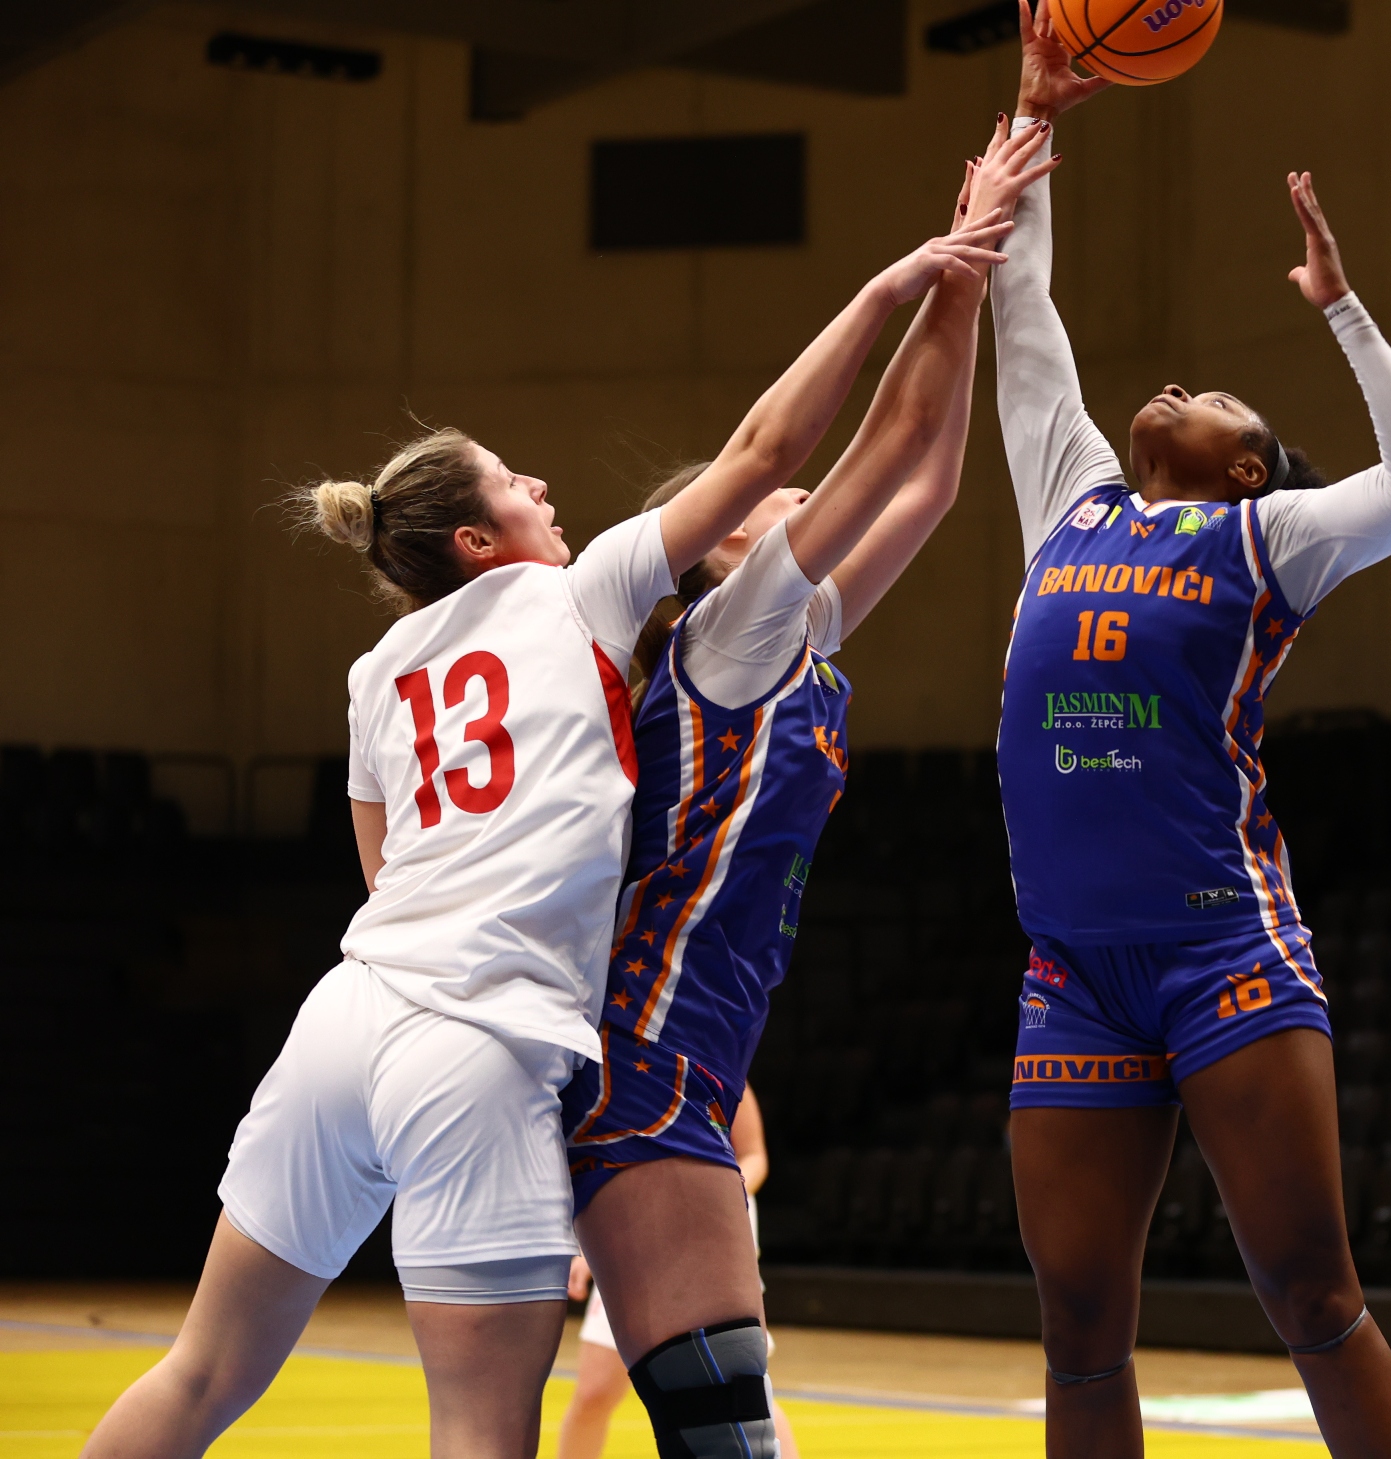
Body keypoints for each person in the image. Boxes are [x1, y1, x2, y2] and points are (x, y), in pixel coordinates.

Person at [80, 209, 1014, 1459]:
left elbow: (380, 875)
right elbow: (778, 445)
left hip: (351, 1011)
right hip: (492, 1036)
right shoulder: (590, 596)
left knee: (200, 1373)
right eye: (517, 482)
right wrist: (911, 277)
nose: (543, 487)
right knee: (486, 1428)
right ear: (478, 540)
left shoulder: (375, 671)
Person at [990, 8, 1391, 1456]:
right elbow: (1021, 310)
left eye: (1213, 400)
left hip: (1220, 951)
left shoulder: (1270, 537)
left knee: (1309, 1290)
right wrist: (1037, 113)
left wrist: (1339, 306)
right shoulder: (1070, 497)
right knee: (1078, 1327)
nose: (1181, 386)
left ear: (1245, 466)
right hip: (1075, 966)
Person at [558, 123, 1055, 1459]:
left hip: (691, 1053)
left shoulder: (799, 640)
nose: (795, 492)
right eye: (779, 492)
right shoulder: (731, 635)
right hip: (648, 1048)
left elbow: (931, 479)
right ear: (727, 547)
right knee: (727, 1425)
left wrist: (975, 270)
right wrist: (958, 256)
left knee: (720, 1423)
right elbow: (894, 434)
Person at [558, 1093, 795, 1459]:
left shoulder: (719, 1071)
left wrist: (714, 1195)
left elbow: (754, 1155)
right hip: (633, 1230)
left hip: (713, 1228)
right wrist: (587, 1245)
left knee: (741, 1392)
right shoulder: (613, 1069)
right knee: (594, 1392)